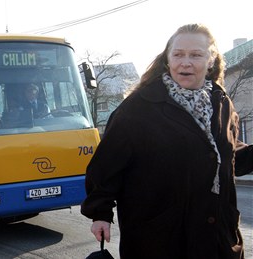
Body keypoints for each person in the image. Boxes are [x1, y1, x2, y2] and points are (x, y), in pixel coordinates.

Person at [81, 23, 253, 259]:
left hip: (218, 239)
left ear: (210, 60)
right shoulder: (138, 108)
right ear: (167, 60)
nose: (186, 62)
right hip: (159, 240)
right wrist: (100, 213)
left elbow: (227, 156)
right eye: (178, 54)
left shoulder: (221, 103)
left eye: (196, 55)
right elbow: (106, 166)